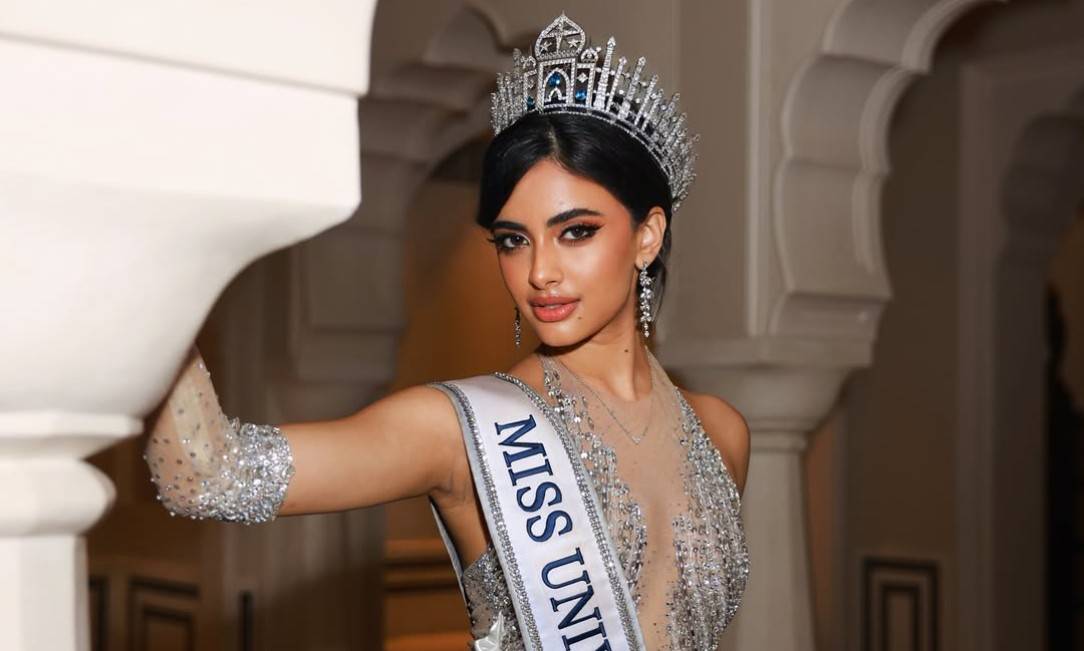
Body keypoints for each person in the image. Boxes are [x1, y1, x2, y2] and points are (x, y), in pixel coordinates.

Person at [144, 13, 750, 651]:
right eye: (513, 241)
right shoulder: (463, 430)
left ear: (647, 236)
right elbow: (206, 477)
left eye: (576, 232)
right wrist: (149, 251)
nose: (539, 272)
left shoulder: (721, 433)